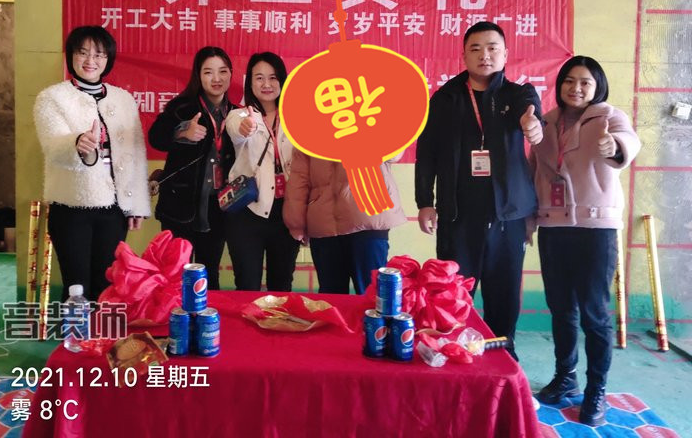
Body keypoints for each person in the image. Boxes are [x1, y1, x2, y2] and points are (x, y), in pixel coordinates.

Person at [414, 21, 544, 358]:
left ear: (505, 54)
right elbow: (427, 154)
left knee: (504, 295)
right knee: (453, 294)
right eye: (475, 49)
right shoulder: (445, 99)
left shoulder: (518, 95)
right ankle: (454, 353)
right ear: (464, 56)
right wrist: (425, 201)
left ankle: (504, 359)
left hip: (507, 217)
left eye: (492, 48)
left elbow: (531, 113)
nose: (484, 55)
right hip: (458, 216)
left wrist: (531, 124)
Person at [531, 56, 640, 426]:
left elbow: (629, 140)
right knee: (561, 308)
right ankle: (566, 376)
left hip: (596, 229)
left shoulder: (609, 117)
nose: (575, 88)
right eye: (569, 81)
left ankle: (596, 390)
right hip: (553, 226)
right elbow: (534, 171)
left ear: (597, 88)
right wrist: (529, 221)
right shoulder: (545, 122)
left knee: (593, 312)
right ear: (559, 84)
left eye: (585, 83)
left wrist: (616, 146)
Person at [33, 25, 151, 301]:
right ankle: (74, 331)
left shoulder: (123, 99)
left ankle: (101, 330)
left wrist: (137, 205)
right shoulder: (52, 98)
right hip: (71, 206)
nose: (90, 60)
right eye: (83, 52)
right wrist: (75, 143)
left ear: (108, 58)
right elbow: (52, 145)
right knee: (76, 286)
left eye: (99, 54)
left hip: (114, 209)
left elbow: (135, 155)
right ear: (71, 55)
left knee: (107, 283)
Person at [148, 46, 236, 290]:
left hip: (217, 208)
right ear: (198, 75)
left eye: (223, 71)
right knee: (177, 275)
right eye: (208, 72)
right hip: (180, 207)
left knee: (209, 275)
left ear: (231, 74)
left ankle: (208, 316)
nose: (216, 78)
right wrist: (182, 131)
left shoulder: (237, 114)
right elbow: (155, 138)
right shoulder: (182, 108)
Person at [224, 52, 300, 291]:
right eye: (259, 78)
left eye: (273, 77)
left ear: (282, 80)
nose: (266, 84)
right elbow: (236, 129)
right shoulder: (239, 115)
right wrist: (245, 127)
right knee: (247, 284)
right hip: (248, 211)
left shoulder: (297, 117)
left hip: (287, 212)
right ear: (250, 82)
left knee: (282, 284)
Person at [283, 152, 406, 294]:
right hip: (325, 221)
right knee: (332, 298)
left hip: (367, 216)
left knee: (371, 294)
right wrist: (296, 223)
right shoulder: (308, 137)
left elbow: (394, 152)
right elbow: (300, 177)